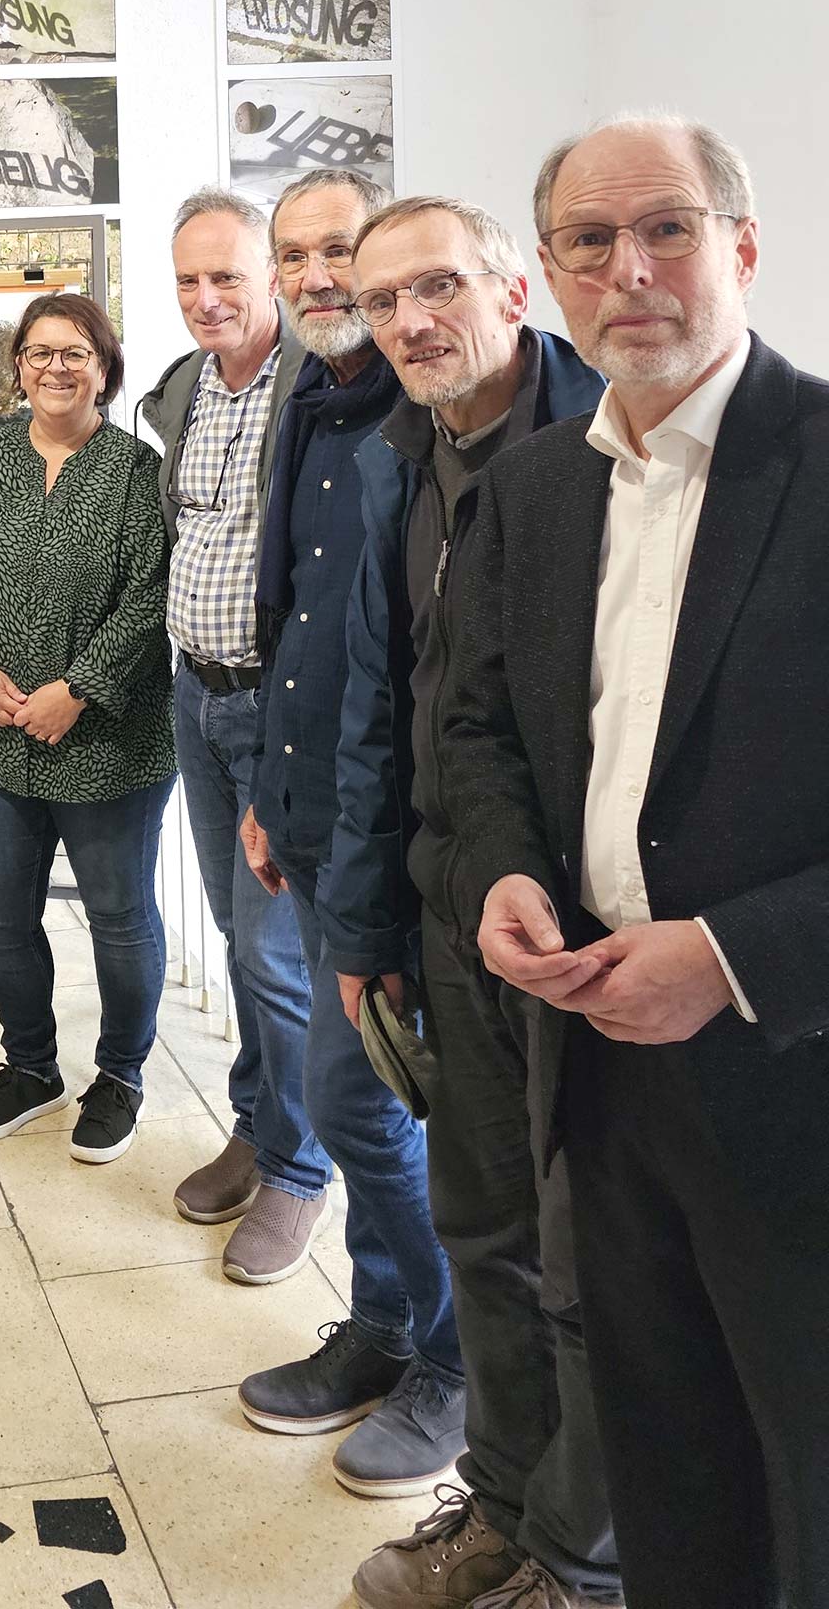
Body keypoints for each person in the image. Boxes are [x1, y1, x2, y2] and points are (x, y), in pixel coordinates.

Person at [441, 117, 829, 1609]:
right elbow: (476, 729)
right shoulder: (538, 491)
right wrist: (500, 875)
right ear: (548, 276)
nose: (631, 271)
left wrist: (731, 955)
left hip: (794, 1074)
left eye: (666, 228)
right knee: (671, 1466)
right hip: (599, 1070)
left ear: (741, 244)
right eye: (590, 243)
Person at [320, 197, 617, 1608]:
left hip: (591, 941)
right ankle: (502, 1505)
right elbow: (391, 710)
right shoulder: (407, 456)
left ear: (514, 279)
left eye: (438, 284)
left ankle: (585, 1556)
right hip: (454, 912)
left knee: (593, 1266)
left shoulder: (610, 446)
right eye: (384, 302)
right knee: (485, 1233)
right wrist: (365, 925)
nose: (413, 321)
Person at [226, 169, 465, 1499]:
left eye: (341, 250)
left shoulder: (424, 413)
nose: (317, 274)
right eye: (297, 253)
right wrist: (266, 784)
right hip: (310, 818)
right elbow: (295, 631)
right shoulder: (307, 405)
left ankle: (454, 1355)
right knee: (352, 1094)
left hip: (406, 839)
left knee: (362, 1104)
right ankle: (382, 1325)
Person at [0, 293, 174, 1164]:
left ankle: (121, 1076)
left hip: (110, 741)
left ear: (104, 366)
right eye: (39, 352)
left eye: (76, 352)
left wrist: (81, 687)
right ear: (18, 366)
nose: (56, 367)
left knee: (119, 915)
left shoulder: (138, 472)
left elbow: (151, 597)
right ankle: (30, 1067)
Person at [138, 190, 310, 1268]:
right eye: (189, 281)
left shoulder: (317, 390)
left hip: (277, 709)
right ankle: (259, 1119)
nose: (207, 299)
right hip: (195, 699)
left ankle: (301, 1169)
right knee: (234, 933)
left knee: (275, 949)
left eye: (228, 278)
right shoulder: (188, 390)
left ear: (274, 278)